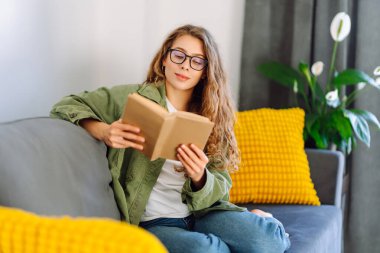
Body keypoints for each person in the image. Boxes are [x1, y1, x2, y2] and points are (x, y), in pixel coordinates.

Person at [50, 24, 290, 253]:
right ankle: (244, 225)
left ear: (205, 72)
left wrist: (200, 177)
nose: (185, 66)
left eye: (197, 61)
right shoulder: (132, 98)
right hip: (156, 222)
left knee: (268, 241)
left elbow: (221, 185)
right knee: (206, 250)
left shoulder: (213, 115)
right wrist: (104, 131)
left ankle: (260, 219)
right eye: (179, 55)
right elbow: (66, 105)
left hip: (204, 213)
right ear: (164, 58)